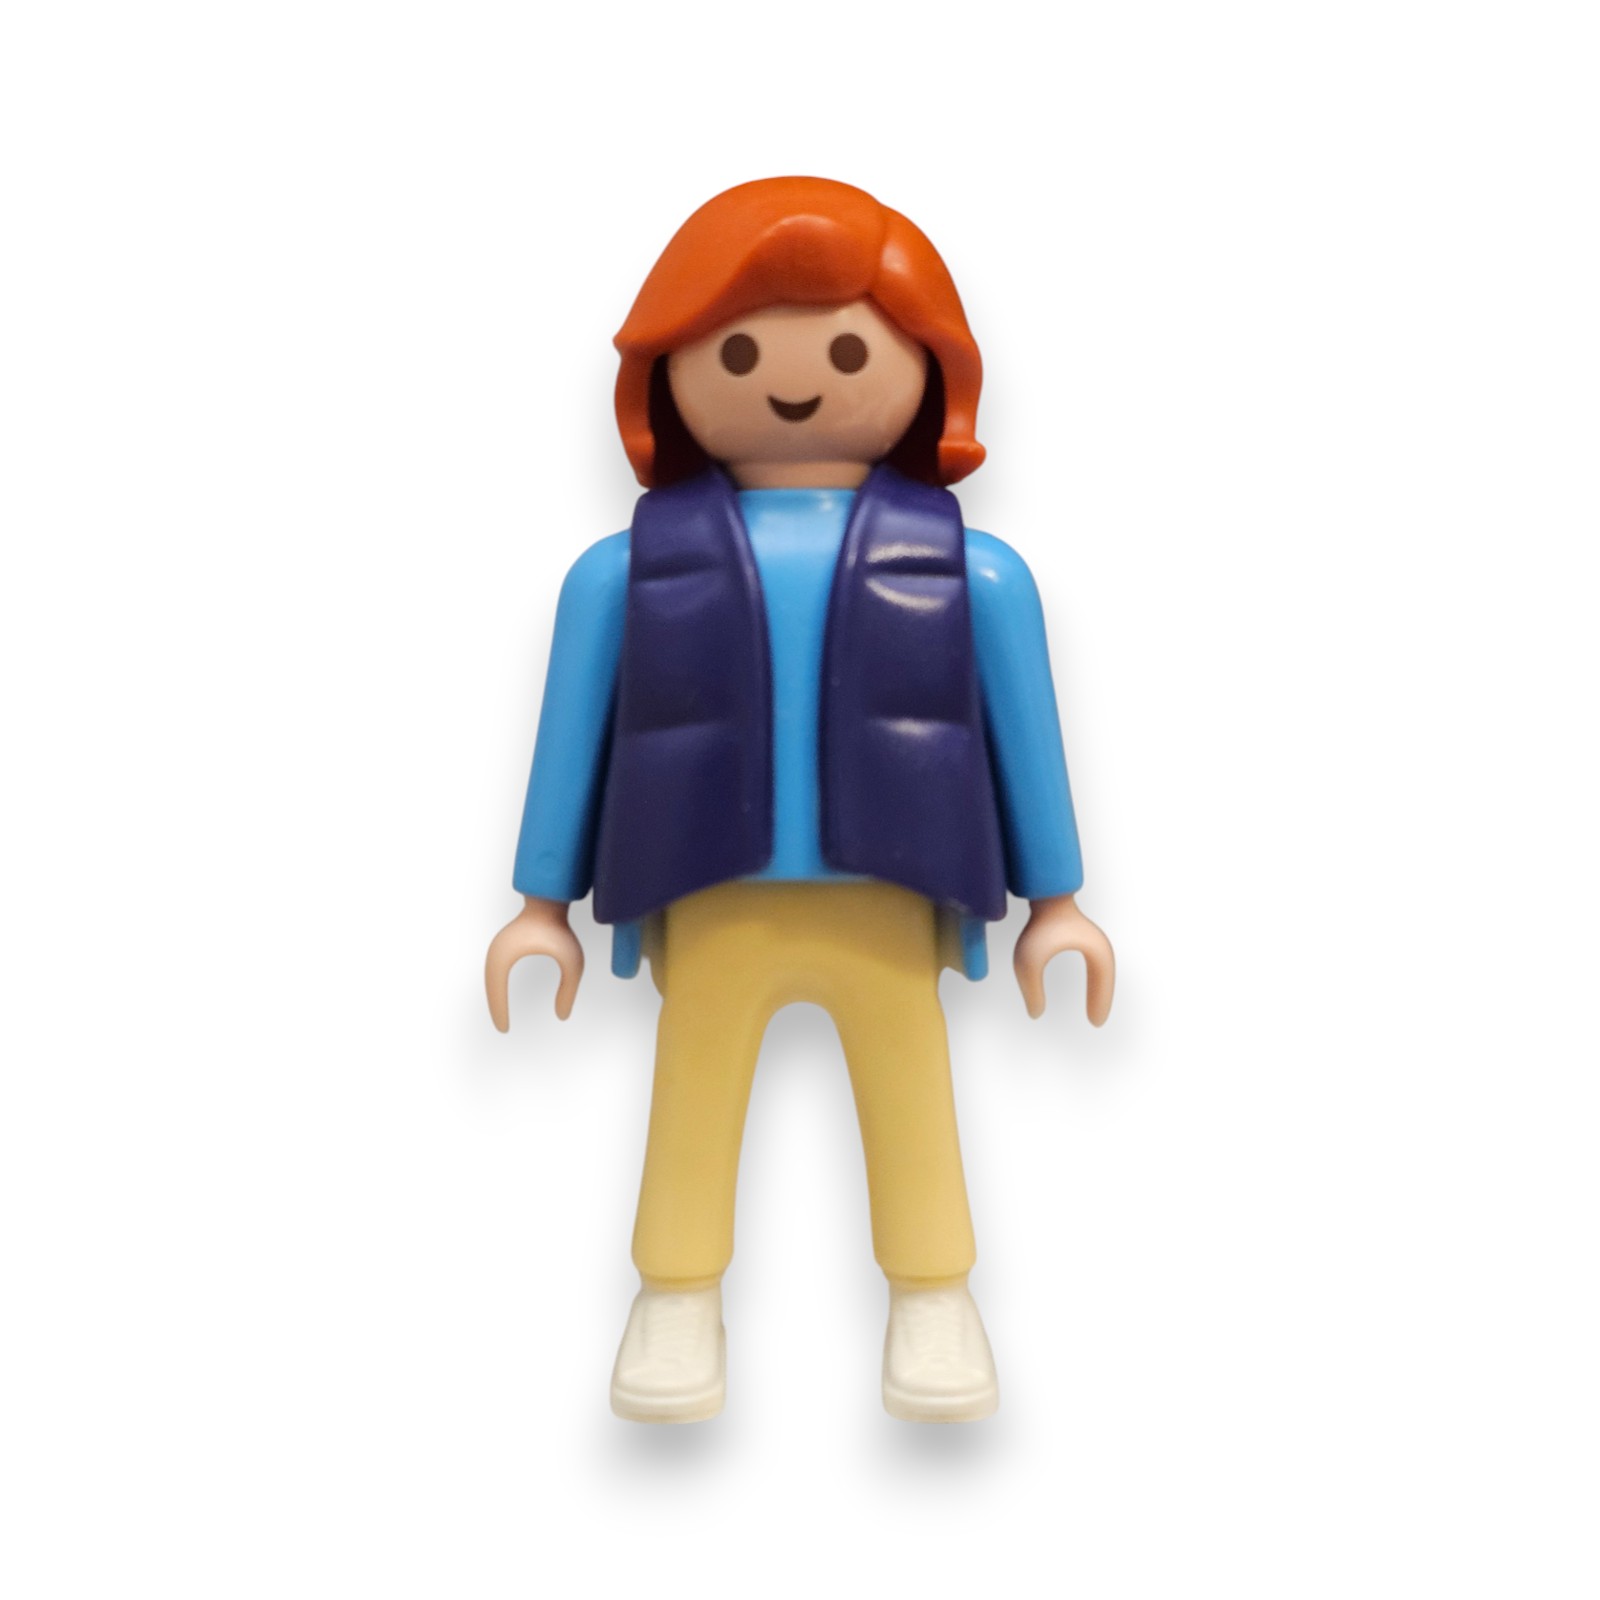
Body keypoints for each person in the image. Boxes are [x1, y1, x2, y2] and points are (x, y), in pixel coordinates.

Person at [486, 176, 1114, 1423]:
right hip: (706, 891)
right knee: (695, 1089)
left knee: (909, 1088)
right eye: (735, 352)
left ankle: (933, 1293)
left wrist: (1058, 900)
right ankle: (675, 1294)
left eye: (846, 351)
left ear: (928, 364)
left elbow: (1027, 733)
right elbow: (569, 733)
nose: (791, 382)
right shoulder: (620, 574)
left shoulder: (975, 573)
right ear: (666, 369)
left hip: (891, 887)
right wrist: (539, 905)